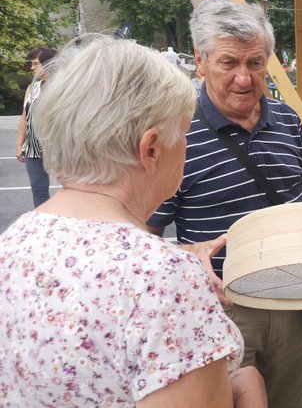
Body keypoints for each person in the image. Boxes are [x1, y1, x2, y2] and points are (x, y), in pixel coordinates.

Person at [0, 36, 266, 407]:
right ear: (151, 149)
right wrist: (248, 389)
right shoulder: (165, 278)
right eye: (185, 135)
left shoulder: (14, 242)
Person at [147, 0, 302, 408]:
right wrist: (185, 253)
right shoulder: (176, 132)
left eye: (255, 63)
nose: (244, 79)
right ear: (201, 59)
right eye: (229, 63)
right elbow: (142, 234)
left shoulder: (287, 118)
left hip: (292, 299)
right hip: (220, 311)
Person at [15, 47, 57, 207]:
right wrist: (19, 144)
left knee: (73, 189)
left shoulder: (63, 87)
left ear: (48, 64)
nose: (32, 68)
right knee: (39, 192)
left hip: (58, 148)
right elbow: (25, 117)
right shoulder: (32, 88)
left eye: (35, 64)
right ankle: (43, 226)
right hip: (33, 148)